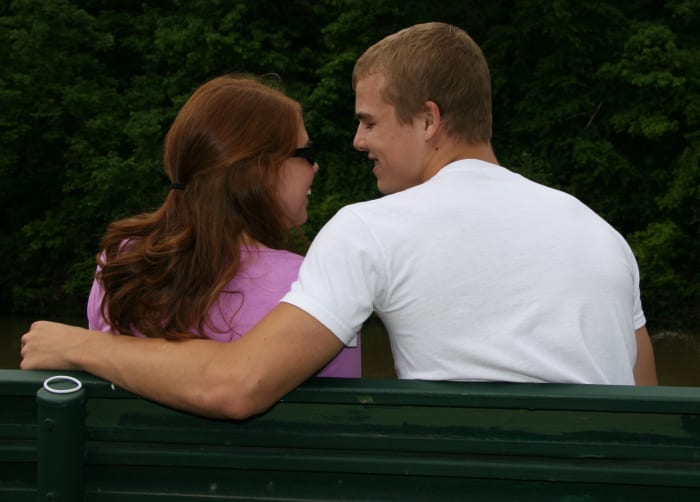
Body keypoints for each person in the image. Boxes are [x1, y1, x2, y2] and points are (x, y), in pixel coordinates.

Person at [21, 22, 656, 420]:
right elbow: (649, 410)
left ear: (429, 120)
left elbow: (239, 387)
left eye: (370, 122)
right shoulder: (601, 234)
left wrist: (78, 344)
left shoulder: (372, 228)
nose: (354, 143)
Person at [87, 75, 360, 377]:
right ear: (261, 170)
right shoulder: (312, 287)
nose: (315, 166)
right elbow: (342, 414)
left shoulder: (121, 262)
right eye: (307, 154)